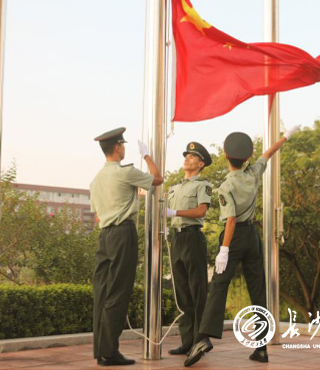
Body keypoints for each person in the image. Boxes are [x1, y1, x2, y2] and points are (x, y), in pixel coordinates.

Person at [185, 127, 298, 367]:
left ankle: (203, 338)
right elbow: (268, 153)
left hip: (234, 237)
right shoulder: (253, 174)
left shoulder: (226, 186)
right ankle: (261, 348)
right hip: (252, 237)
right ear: (247, 157)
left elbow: (231, 220)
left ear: (226, 155)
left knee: (218, 286)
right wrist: (286, 136)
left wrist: (224, 250)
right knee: (258, 290)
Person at [90, 127, 163, 366]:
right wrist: (147, 156)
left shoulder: (96, 180)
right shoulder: (126, 172)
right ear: (118, 148)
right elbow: (157, 179)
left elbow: (97, 216)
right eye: (123, 146)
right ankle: (110, 353)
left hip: (104, 236)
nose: (124, 149)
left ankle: (101, 351)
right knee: (118, 293)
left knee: (102, 293)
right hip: (122, 234)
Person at [165, 142, 213, 356]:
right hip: (176, 238)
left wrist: (175, 213)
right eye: (186, 155)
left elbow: (201, 211)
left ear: (201, 163)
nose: (187, 158)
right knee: (182, 292)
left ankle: (200, 340)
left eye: (192, 156)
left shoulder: (202, 185)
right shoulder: (174, 188)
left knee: (197, 290)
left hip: (193, 237)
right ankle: (187, 341)